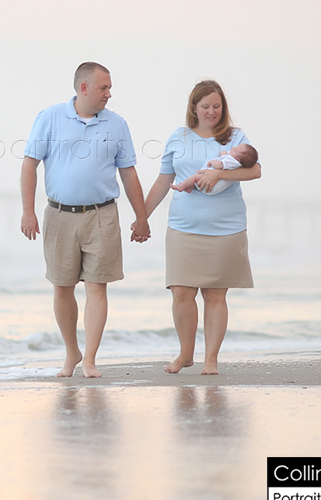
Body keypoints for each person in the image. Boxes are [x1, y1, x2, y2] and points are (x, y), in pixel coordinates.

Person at [20, 62, 151, 379]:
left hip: (102, 215)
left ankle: (90, 359)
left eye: (109, 88)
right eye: (104, 88)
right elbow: (29, 164)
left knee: (97, 287)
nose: (109, 93)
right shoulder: (50, 117)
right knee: (62, 287)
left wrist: (141, 217)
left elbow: (128, 171)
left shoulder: (117, 124)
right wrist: (28, 211)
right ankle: (71, 353)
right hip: (59, 215)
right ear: (84, 88)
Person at [135, 79, 261, 375]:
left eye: (217, 106)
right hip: (183, 227)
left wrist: (219, 176)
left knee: (215, 295)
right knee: (181, 292)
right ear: (194, 107)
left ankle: (211, 360)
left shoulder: (234, 136)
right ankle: (185, 355)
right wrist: (143, 216)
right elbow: (164, 180)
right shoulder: (178, 137)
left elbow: (255, 170)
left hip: (226, 227)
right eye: (205, 106)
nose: (212, 111)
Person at [171, 143, 258, 195]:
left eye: (235, 150)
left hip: (212, 186)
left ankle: (181, 186)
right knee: (197, 180)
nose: (233, 147)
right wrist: (224, 154)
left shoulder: (232, 161)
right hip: (214, 188)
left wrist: (212, 162)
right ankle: (191, 187)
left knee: (195, 177)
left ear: (237, 159)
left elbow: (219, 165)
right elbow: (224, 160)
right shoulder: (237, 163)